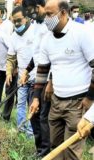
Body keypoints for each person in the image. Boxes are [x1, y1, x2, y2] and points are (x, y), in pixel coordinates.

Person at [29, 0, 94, 159]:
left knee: (71, 151)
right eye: (45, 15)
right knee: (55, 147)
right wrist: (36, 98)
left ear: (64, 13)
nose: (46, 19)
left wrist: (90, 98)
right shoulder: (47, 39)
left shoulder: (81, 33)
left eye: (50, 14)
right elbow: (42, 70)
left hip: (78, 102)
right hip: (56, 102)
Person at [21, 0, 51, 158]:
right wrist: (26, 70)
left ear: (40, 6)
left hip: (48, 78)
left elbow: (52, 56)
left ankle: (46, 152)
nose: (31, 14)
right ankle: (40, 149)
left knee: (43, 116)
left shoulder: (50, 26)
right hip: (37, 76)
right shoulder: (36, 26)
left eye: (33, 10)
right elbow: (37, 55)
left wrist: (51, 81)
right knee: (34, 115)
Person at [6, 6, 35, 137]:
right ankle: (20, 128)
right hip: (21, 78)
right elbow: (11, 57)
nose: (17, 24)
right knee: (21, 104)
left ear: (27, 17)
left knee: (32, 105)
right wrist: (8, 72)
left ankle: (30, 134)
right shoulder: (13, 37)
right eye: (14, 21)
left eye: (19, 20)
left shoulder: (35, 31)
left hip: (35, 76)